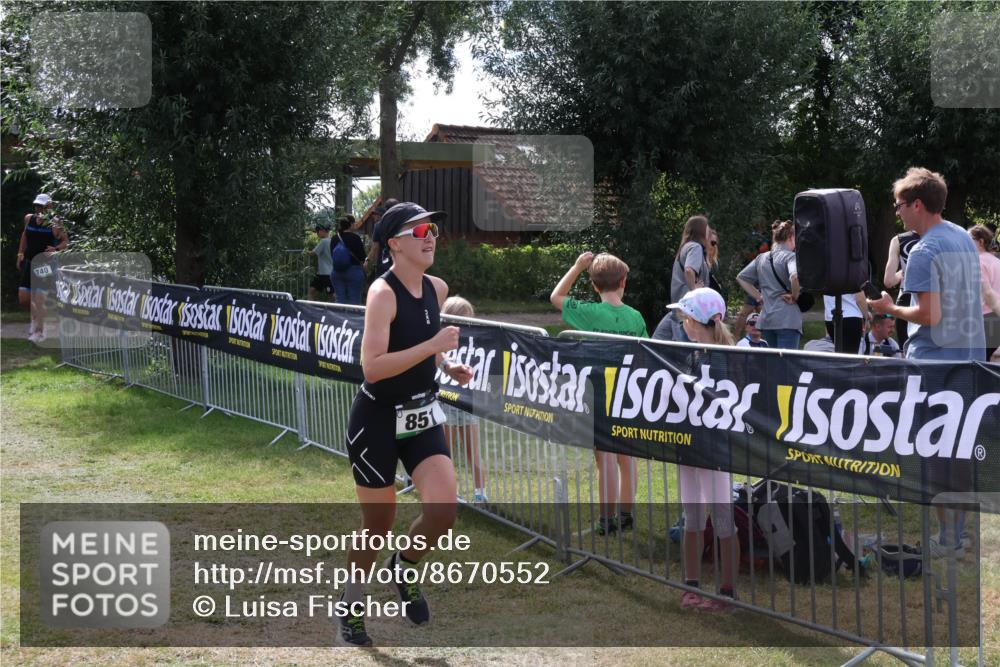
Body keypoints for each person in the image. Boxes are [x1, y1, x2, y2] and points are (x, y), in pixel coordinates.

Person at [338, 202, 473, 646]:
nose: (430, 236)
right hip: (376, 418)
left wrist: (445, 363)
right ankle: (352, 602)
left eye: (431, 228)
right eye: (418, 232)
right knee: (378, 524)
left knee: (443, 510)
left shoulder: (437, 287)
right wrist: (433, 345)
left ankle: (404, 567)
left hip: (420, 414)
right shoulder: (382, 293)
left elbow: (422, 345)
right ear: (394, 244)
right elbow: (373, 367)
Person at [868, 167, 985, 559]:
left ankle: (946, 539)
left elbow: (928, 315)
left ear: (918, 204)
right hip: (969, 362)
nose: (897, 212)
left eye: (900, 205)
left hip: (934, 366)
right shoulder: (964, 239)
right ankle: (961, 536)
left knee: (934, 453)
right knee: (960, 452)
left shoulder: (923, 251)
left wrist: (890, 309)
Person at [551, 251, 647, 535]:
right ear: (624, 282)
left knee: (604, 458)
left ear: (594, 286)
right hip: (629, 396)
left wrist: (577, 266)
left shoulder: (589, 312)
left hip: (598, 395)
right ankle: (626, 515)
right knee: (626, 458)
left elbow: (556, 297)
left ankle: (606, 519)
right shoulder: (636, 316)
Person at [663, 287, 740, 612]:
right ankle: (690, 585)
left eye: (686, 319)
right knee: (691, 518)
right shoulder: (690, 355)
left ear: (701, 321)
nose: (682, 324)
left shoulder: (730, 358)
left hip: (716, 453)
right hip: (689, 449)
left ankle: (727, 592)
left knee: (723, 520)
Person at [440, 296, 487, 503]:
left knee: (473, 451)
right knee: (445, 452)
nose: (468, 325)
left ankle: (480, 492)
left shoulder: (476, 342)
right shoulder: (441, 341)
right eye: (463, 320)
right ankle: (449, 492)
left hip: (467, 403)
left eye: (470, 320)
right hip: (446, 402)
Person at [736, 220, 802, 349]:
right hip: (787, 318)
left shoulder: (761, 258)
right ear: (791, 237)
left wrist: (759, 296)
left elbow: (741, 277)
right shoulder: (790, 257)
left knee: (773, 364)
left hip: (767, 319)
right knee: (787, 365)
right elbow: (794, 276)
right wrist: (794, 296)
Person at [17, 193, 68, 342]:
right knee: (24, 298)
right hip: (29, 262)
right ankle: (35, 320)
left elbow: (66, 242)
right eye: (37, 206)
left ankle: (40, 332)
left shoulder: (55, 223)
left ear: (49, 207)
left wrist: (56, 249)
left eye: (43, 206)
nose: (39, 209)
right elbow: (25, 236)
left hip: (45, 265)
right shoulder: (29, 218)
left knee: (39, 298)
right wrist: (20, 253)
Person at [668, 215, 712, 341]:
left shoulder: (685, 247)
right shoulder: (695, 247)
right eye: (707, 228)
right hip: (690, 311)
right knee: (690, 353)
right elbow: (689, 269)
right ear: (701, 230)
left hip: (681, 309)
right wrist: (694, 292)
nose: (709, 232)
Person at [883, 228, 920, 348]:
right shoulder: (943, 237)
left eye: (899, 207)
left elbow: (888, 281)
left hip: (906, 299)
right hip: (935, 300)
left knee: (907, 352)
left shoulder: (899, 240)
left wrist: (903, 272)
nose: (897, 212)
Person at [969, 224, 1000, 359]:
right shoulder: (996, 261)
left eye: (969, 239)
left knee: (977, 366)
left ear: (980, 241)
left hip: (985, 319)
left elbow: (987, 293)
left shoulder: (977, 261)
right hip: (994, 319)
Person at [331, 216, 367, 305]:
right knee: (354, 300)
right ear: (350, 224)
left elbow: (332, 255)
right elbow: (362, 257)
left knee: (340, 300)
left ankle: (339, 319)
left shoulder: (334, 238)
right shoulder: (355, 238)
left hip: (337, 272)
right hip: (354, 271)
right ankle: (352, 319)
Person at [365, 198, 400, 280]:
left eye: (376, 215)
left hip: (383, 265)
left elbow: (375, 248)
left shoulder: (379, 226)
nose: (374, 217)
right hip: (400, 264)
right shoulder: (403, 225)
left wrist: (368, 261)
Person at [305, 221, 333, 301]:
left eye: (317, 231)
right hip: (322, 273)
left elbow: (313, 253)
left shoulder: (324, 241)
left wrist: (304, 251)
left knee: (332, 295)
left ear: (322, 231)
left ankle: (338, 309)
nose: (317, 233)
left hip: (326, 273)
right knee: (312, 290)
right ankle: (314, 309)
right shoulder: (331, 240)